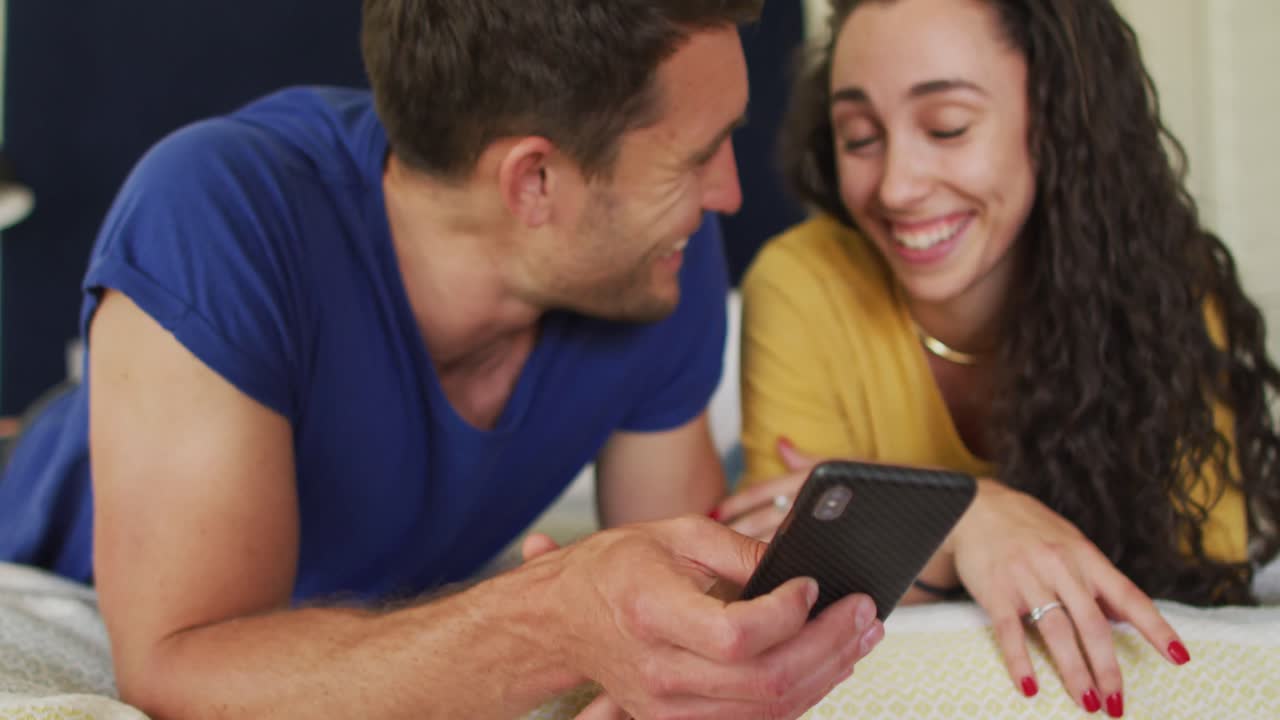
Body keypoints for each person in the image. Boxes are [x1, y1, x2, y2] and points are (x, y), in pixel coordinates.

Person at [0, 1, 887, 718]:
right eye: (695, 159)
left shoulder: (665, 259)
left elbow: (687, 580)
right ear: (532, 180)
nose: (728, 192)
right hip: (43, 540)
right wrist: (547, 621)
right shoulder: (217, 211)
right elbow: (177, 668)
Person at [714, 0, 1280, 717]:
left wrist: (893, 528)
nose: (895, 186)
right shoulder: (799, 283)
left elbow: (1197, 562)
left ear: (1056, 120)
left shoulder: (1166, 291)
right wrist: (970, 521)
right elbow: (790, 585)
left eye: (947, 127)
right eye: (859, 137)